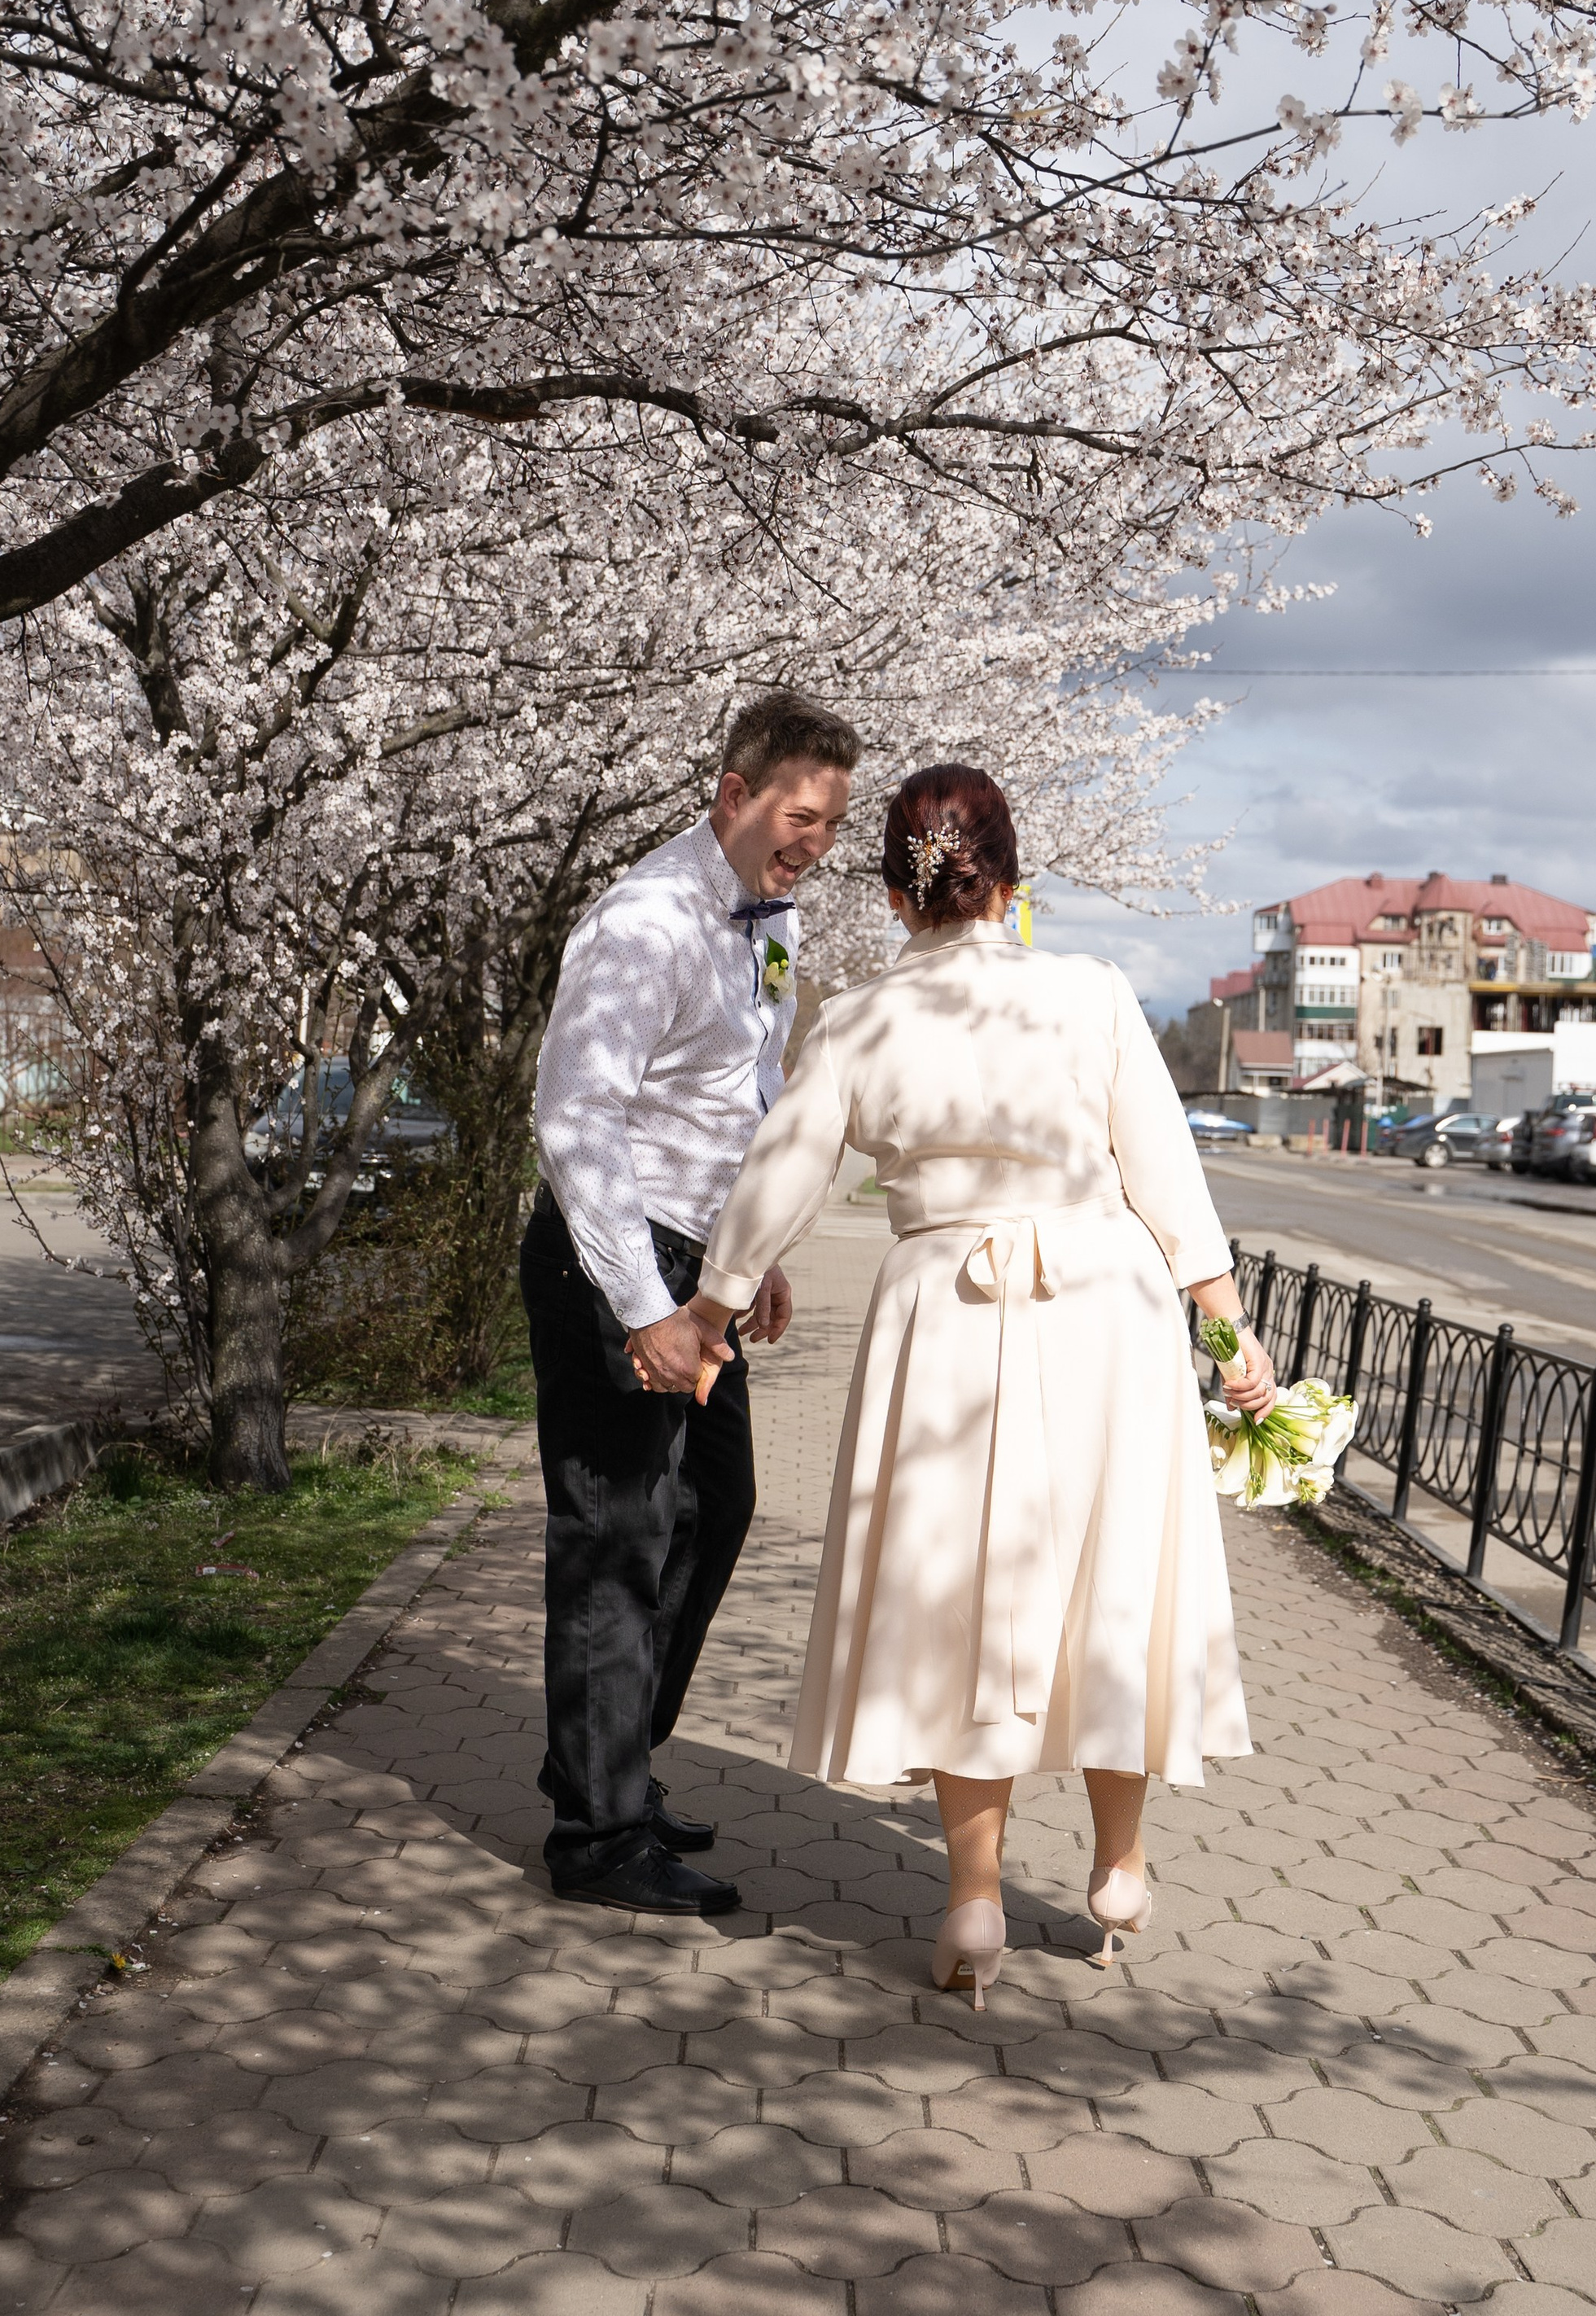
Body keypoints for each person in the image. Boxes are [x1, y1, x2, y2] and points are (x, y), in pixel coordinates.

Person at [683, 762, 1275, 2007]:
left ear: (898, 896)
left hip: (943, 1314)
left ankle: (972, 1897)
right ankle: (1120, 1866)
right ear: (1012, 881)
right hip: (1107, 1305)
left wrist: (713, 1306)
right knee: (1110, 1577)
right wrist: (1228, 1330)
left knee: (966, 1596)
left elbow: (783, 1170)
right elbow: (1164, 1167)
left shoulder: (861, 1018)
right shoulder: (1091, 991)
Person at [523, 689, 858, 1913]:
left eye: (833, 823)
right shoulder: (646, 921)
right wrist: (641, 1307)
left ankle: (606, 1761)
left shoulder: (770, 917)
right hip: (614, 1261)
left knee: (716, 1505)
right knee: (619, 1535)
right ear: (735, 792)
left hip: (700, 1265)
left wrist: (746, 1254)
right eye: (801, 817)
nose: (816, 843)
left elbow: (739, 1096)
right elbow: (576, 1114)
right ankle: (599, 1837)